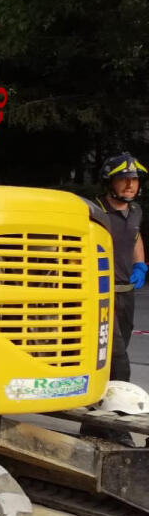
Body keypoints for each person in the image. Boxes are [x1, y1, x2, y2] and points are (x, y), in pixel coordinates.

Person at [97, 152, 147, 382]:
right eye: (124, 178)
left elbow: (135, 237)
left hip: (127, 293)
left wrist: (140, 265)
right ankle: (113, 413)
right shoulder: (96, 211)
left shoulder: (136, 211)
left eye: (134, 179)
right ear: (110, 181)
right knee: (117, 360)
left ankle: (96, 411)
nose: (130, 184)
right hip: (102, 294)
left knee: (120, 348)